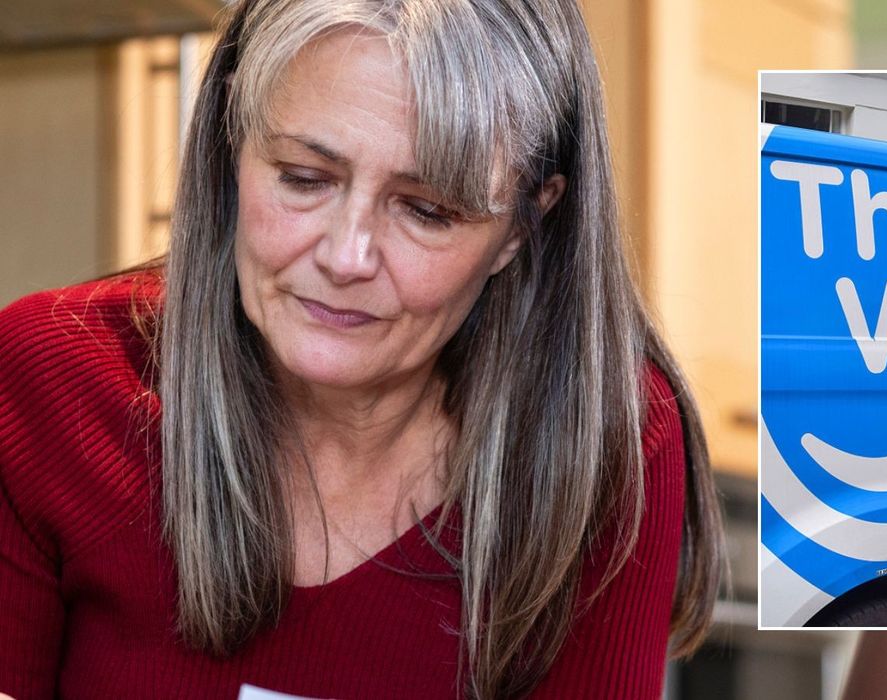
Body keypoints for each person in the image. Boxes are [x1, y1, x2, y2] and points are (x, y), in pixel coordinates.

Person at [0, 1, 724, 697]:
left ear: (519, 228)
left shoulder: (602, 438)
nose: (347, 257)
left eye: (427, 211)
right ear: (230, 144)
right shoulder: (51, 377)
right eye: (303, 179)